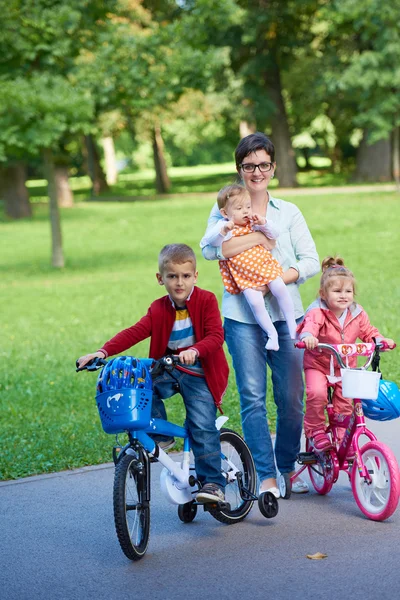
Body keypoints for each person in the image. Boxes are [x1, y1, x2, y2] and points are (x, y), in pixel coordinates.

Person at [200, 132, 320, 499]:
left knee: (291, 397)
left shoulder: (289, 212)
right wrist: (258, 241)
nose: (256, 172)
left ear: (273, 167)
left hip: (287, 315)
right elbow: (211, 251)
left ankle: (285, 465)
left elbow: (310, 261)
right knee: (252, 396)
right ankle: (266, 476)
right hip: (241, 317)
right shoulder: (224, 204)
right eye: (249, 166)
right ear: (240, 169)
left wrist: (273, 279)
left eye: (263, 165)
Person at [77, 243, 229, 504]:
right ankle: (162, 437)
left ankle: (213, 483)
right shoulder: (158, 308)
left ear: (195, 276)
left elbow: (216, 335)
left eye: (185, 276)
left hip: (198, 371)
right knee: (141, 387)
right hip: (169, 368)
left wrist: (195, 350)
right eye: (172, 276)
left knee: (202, 426)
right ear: (161, 279)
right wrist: (102, 352)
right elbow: (135, 331)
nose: (179, 283)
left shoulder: (206, 300)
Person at [297, 256, 396, 450]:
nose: (343, 296)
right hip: (319, 364)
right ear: (323, 294)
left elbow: (369, 332)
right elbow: (310, 327)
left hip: (345, 366)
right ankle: (315, 431)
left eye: (348, 291)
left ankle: (343, 438)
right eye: (337, 291)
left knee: (346, 400)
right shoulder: (318, 312)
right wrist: (308, 337)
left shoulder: (357, 313)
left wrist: (380, 341)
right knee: (316, 394)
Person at [201, 183, 297, 351]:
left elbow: (274, 235)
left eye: (248, 206)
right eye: (239, 208)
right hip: (243, 275)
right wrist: (223, 231)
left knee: (280, 288)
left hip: (264, 266)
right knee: (255, 302)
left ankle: (292, 326)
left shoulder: (253, 222)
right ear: (225, 213)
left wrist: (264, 223)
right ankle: (272, 334)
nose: (246, 211)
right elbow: (210, 243)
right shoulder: (223, 226)